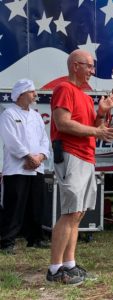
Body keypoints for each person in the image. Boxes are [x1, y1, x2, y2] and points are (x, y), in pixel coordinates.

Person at [47, 49, 113, 285]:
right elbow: (63, 123)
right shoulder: (64, 89)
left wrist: (101, 113)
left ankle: (69, 264)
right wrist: (97, 130)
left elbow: (93, 125)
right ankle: (55, 269)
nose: (92, 71)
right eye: (89, 66)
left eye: (92, 66)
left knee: (77, 214)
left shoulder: (85, 97)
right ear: (74, 66)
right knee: (70, 213)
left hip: (86, 157)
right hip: (71, 155)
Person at [0, 79, 50, 254]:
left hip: (36, 168)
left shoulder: (36, 116)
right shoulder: (9, 114)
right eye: (32, 92)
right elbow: (11, 140)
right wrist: (27, 157)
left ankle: (35, 239)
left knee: (37, 205)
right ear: (21, 94)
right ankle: (7, 241)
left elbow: (44, 139)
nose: (35, 94)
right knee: (14, 206)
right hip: (16, 168)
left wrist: (40, 157)